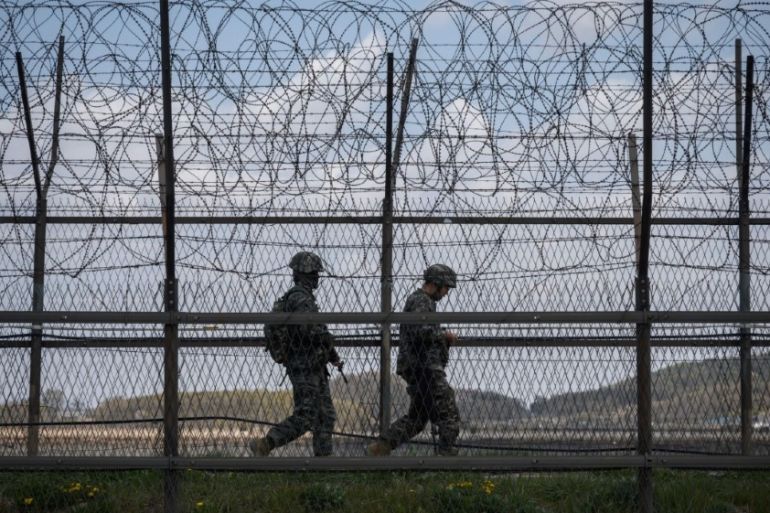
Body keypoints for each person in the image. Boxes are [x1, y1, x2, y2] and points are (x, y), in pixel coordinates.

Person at [250, 251, 343, 457]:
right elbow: (308, 330)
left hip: (313, 365)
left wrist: (331, 353)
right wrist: (326, 337)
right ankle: (267, 443)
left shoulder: (303, 298)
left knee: (325, 416)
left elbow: (314, 329)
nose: (317, 277)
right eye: (315, 273)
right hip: (305, 366)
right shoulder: (300, 298)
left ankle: (324, 462)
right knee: (306, 416)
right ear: (306, 274)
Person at [368, 264, 461, 456]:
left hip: (419, 367)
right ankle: (447, 460)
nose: (446, 293)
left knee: (417, 418)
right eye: (446, 288)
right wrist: (444, 336)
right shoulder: (421, 301)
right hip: (425, 368)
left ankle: (378, 450)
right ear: (437, 284)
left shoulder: (420, 301)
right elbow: (420, 331)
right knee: (448, 413)